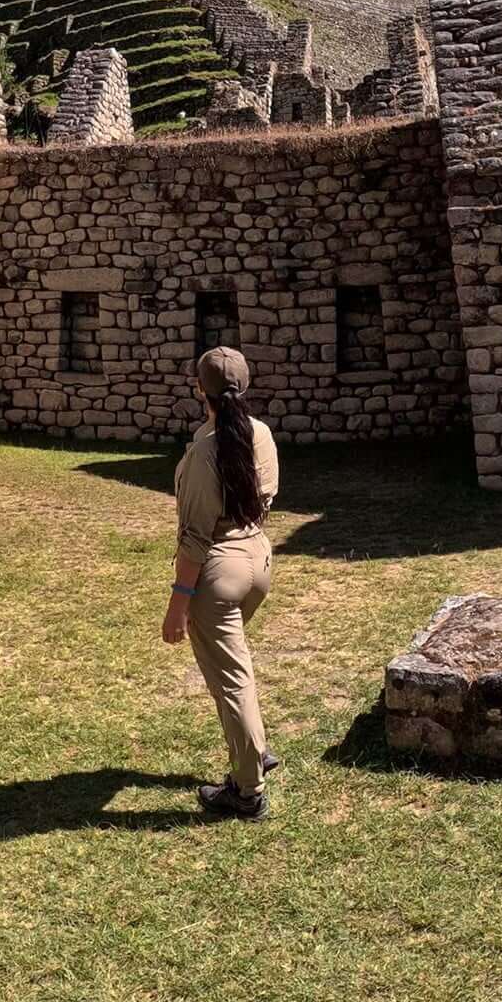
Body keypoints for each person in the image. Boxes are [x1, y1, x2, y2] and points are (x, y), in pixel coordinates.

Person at [162, 346, 280, 820]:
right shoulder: (262, 434)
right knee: (236, 670)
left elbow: (194, 538)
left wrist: (178, 603)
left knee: (232, 681)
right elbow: (266, 495)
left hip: (219, 568)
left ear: (199, 389)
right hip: (258, 561)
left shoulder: (206, 450)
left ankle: (247, 790)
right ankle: (255, 750)